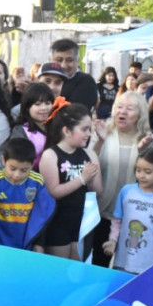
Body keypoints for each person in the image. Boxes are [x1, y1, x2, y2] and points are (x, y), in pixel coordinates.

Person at [93, 91, 153, 266]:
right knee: (99, 261)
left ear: (140, 114)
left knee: (128, 264)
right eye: (119, 107)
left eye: (130, 109)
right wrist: (99, 142)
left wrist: (143, 151)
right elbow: (88, 164)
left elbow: (152, 176)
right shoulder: (102, 131)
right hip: (101, 211)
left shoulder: (150, 140)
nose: (122, 112)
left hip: (134, 216)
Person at [39, 103, 102, 260]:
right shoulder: (51, 155)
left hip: (81, 220)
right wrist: (81, 179)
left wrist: (91, 179)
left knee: (78, 270)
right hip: (58, 220)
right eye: (84, 129)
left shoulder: (90, 154)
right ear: (67, 130)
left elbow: (98, 192)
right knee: (60, 271)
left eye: (90, 129)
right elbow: (53, 191)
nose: (88, 134)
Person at [103, 147, 153, 274]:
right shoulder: (127, 191)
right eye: (138, 170)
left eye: (147, 171)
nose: (141, 175)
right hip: (123, 260)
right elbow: (117, 220)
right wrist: (112, 240)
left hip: (149, 262)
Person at [0, 136, 54, 249]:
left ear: (32, 165)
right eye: (12, 168)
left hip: (26, 246)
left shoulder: (37, 182)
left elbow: (42, 215)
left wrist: (37, 243)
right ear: (3, 160)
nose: (17, 175)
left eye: (24, 170)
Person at [9, 82, 56, 169]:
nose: (44, 108)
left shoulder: (58, 127)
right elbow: (18, 160)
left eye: (48, 103)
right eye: (38, 104)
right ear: (27, 107)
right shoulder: (20, 131)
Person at [51, 38, 98, 111]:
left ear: (77, 61)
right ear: (50, 60)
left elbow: (74, 113)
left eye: (69, 60)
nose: (63, 65)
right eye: (59, 60)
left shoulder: (86, 82)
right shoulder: (45, 79)